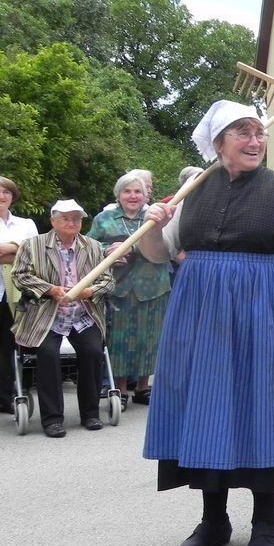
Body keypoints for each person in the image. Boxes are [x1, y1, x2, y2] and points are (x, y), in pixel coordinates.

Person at [138, 100, 274, 546]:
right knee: (206, 409)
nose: (256, 140)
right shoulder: (194, 190)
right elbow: (161, 254)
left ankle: (265, 523)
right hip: (200, 315)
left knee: (262, 406)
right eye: (243, 133)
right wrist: (152, 228)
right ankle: (213, 521)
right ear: (218, 143)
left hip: (264, 310)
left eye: (259, 132)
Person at [11, 200, 114, 437]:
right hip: (46, 314)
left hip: (82, 314)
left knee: (93, 351)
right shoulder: (33, 245)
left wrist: (90, 292)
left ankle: (90, 413)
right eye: (66, 218)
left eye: (76, 219)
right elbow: (20, 275)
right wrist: (50, 289)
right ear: (53, 221)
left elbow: (108, 280)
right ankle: (52, 419)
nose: (72, 223)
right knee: (47, 354)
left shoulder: (93, 246)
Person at [88, 171, 171, 405]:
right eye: (127, 191)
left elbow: (171, 244)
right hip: (119, 287)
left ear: (146, 195)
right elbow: (88, 246)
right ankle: (121, 390)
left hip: (153, 286)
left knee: (150, 338)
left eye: (138, 192)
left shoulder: (158, 217)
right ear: (118, 195)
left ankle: (144, 388)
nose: (133, 196)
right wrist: (107, 251)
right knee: (119, 340)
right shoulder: (104, 219)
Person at [0, 176, 38, 415]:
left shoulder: (26, 224)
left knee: (10, 346)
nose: (1, 196)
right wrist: (17, 248)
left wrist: (11, 250)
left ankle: (7, 396)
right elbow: (21, 251)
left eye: (5, 192)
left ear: (13, 197)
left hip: (17, 293)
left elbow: (33, 254)